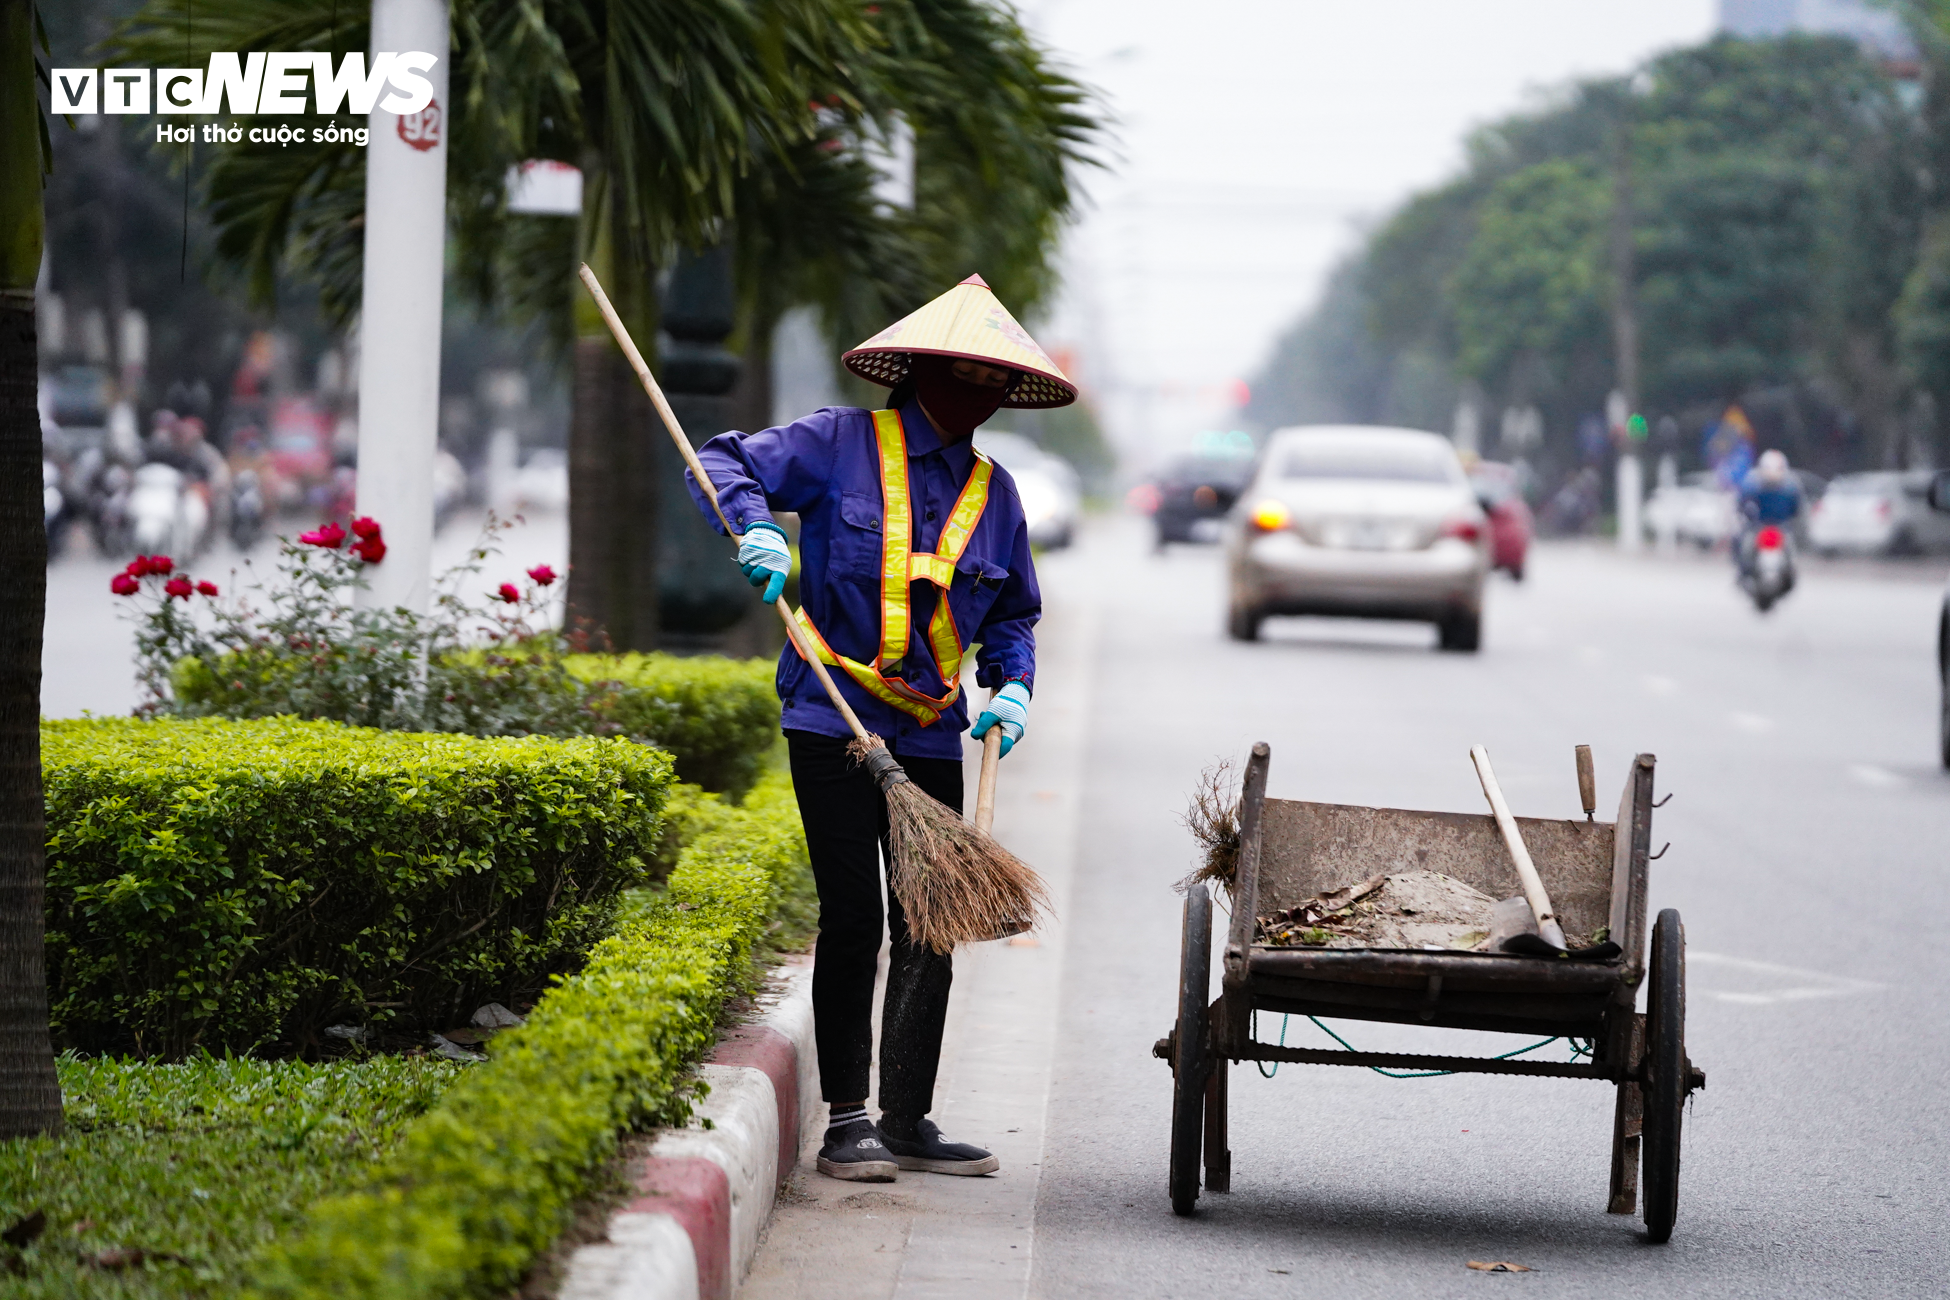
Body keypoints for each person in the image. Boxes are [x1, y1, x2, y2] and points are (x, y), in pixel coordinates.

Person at [687, 274, 1076, 1183]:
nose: (984, 394)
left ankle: (907, 1117)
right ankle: (847, 1120)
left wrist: (1011, 685)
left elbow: (1014, 613)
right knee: (854, 915)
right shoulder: (837, 444)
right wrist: (760, 532)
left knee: (930, 923)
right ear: (925, 372)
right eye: (969, 375)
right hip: (828, 714)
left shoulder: (999, 494)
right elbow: (723, 458)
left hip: (933, 735)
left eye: (997, 381)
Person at [1734, 449, 1802, 577]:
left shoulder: (1791, 488)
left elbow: (1796, 510)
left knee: (1791, 552)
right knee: (1745, 546)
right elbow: (1742, 504)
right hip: (1758, 527)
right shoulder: (1751, 485)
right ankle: (1743, 573)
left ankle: (1790, 574)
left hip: (1781, 528)